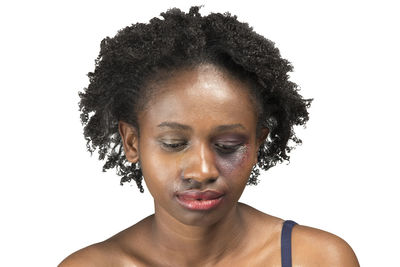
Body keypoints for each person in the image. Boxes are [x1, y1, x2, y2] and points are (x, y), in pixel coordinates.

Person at [59, 6, 359, 266]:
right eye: (173, 143)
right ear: (131, 142)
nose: (202, 171)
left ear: (258, 143)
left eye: (228, 146)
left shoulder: (318, 259)